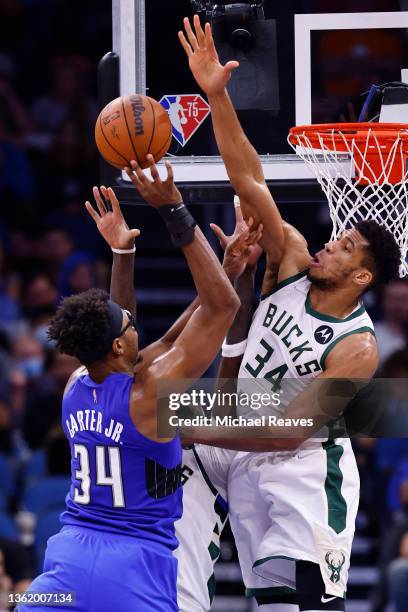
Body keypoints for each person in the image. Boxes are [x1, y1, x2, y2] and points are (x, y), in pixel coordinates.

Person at [178, 15, 401, 612]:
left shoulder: (358, 346)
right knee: (158, 426)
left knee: (291, 606)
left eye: (347, 247)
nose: (331, 243)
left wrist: (191, 418)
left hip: (301, 464)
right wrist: (217, 96)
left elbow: (289, 429)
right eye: (339, 236)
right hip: (243, 421)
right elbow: (247, 177)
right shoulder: (295, 259)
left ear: (362, 277)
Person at [17, 157, 240, 612]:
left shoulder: (77, 383)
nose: (137, 324)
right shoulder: (150, 394)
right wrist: (175, 210)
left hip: (69, 561)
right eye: (130, 326)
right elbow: (222, 309)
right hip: (134, 568)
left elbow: (161, 334)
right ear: (119, 347)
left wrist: (122, 254)